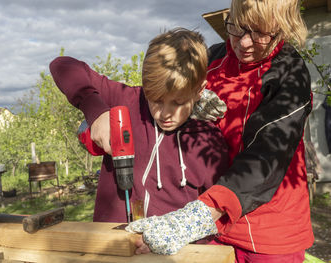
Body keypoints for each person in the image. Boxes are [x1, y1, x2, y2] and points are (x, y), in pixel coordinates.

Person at [126, 0, 314, 262]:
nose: (244, 43)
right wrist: (98, 115)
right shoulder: (211, 59)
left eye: (260, 33)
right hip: (213, 230)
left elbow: (265, 160)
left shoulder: (290, 75)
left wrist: (191, 221)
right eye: (237, 27)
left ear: (282, 28)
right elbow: (157, 93)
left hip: (269, 235)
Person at [50, 28, 228, 223]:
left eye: (178, 103)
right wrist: (95, 110)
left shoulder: (208, 141)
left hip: (177, 251)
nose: (166, 113)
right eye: (157, 100)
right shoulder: (127, 101)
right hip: (111, 245)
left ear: (199, 91)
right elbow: (62, 65)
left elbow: (216, 208)